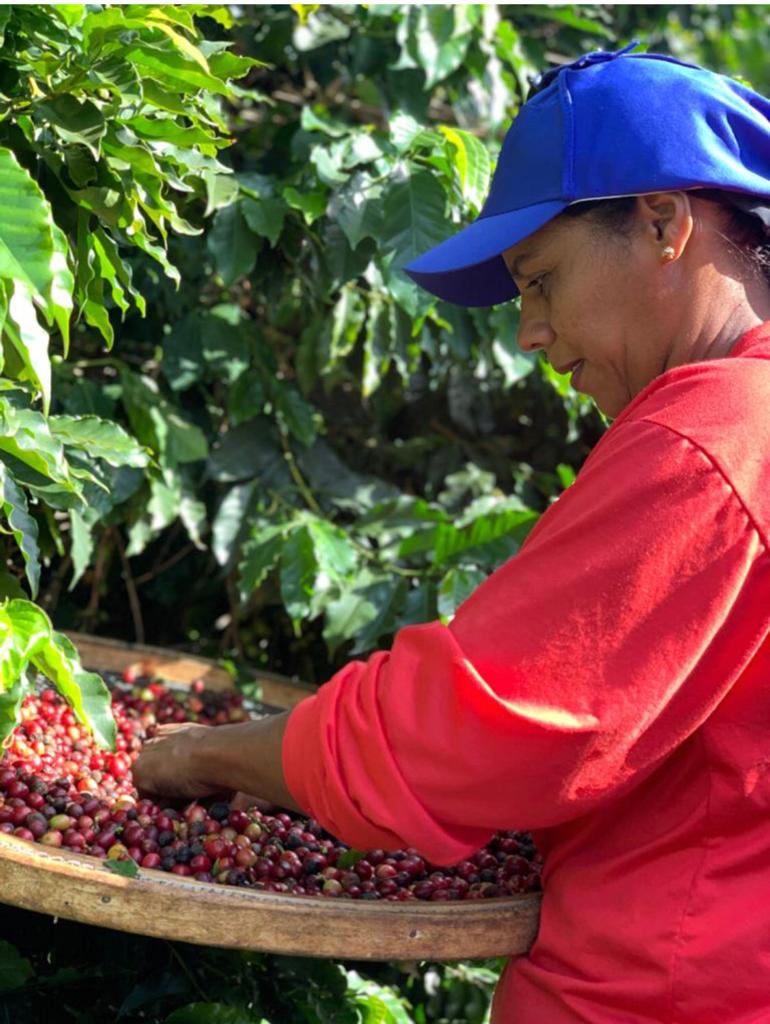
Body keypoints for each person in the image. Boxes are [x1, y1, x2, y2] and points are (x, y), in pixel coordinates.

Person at [133, 43, 770, 1023]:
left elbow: (475, 729)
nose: (527, 332)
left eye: (538, 280)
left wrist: (207, 757)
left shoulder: (713, 435)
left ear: (660, 223)